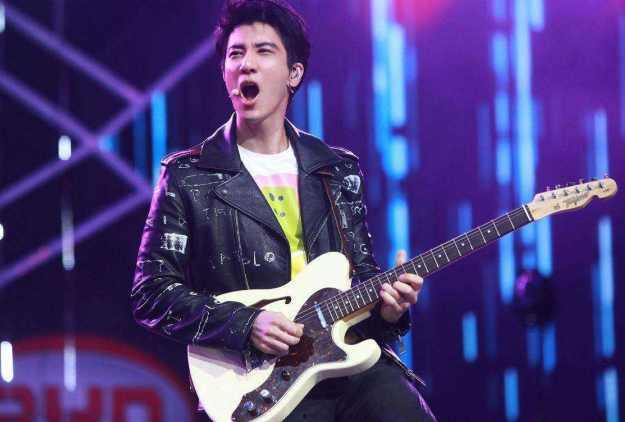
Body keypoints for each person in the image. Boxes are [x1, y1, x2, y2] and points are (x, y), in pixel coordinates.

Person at [131, 0, 435, 420]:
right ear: (225, 73)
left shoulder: (335, 170)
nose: (246, 64)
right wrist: (245, 324)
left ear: (294, 74)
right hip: (256, 380)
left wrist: (388, 309)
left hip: (341, 368)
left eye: (263, 51)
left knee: (400, 405)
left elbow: (361, 281)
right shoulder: (188, 175)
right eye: (235, 54)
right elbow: (151, 293)